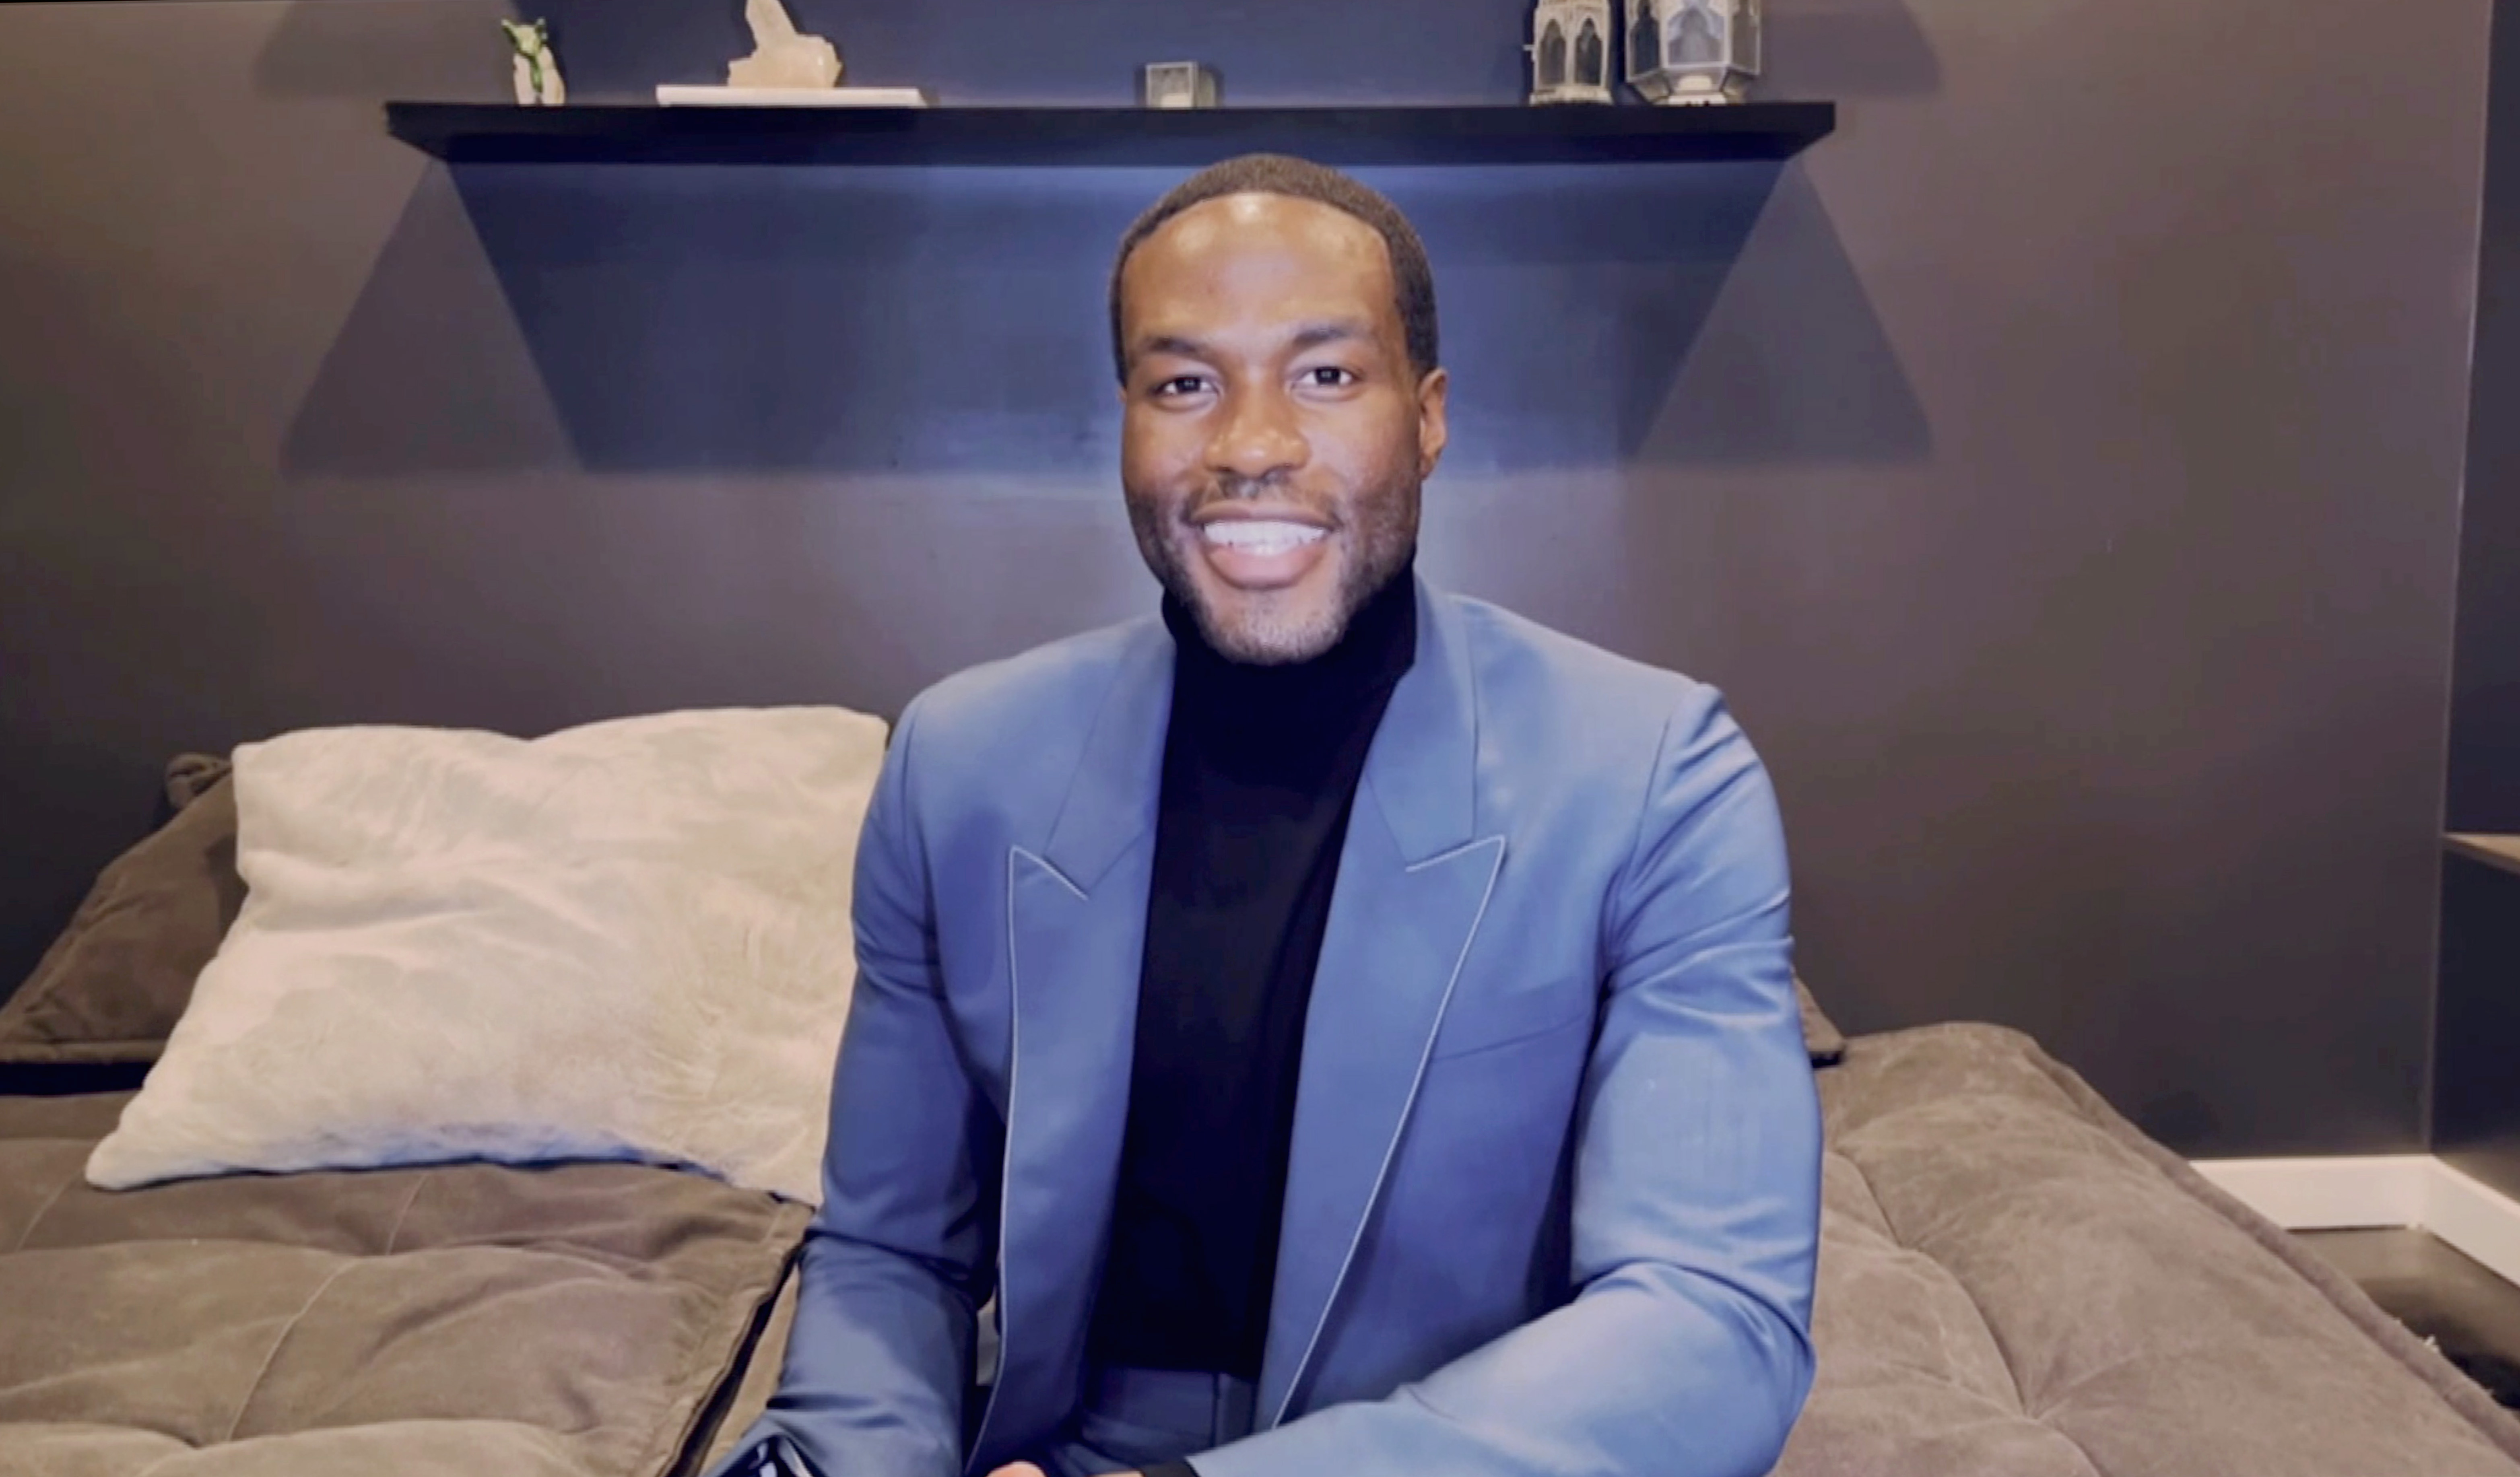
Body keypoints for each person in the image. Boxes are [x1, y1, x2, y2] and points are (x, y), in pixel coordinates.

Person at [711, 154, 1821, 1477]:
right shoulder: (959, 763)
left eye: (1326, 376)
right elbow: (893, 1256)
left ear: (1429, 416)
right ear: (1124, 419)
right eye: (1183, 384)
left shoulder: (1658, 773)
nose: (1249, 446)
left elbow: (1712, 1321)